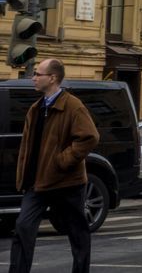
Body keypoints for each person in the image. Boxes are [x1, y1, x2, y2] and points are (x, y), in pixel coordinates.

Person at [9, 58, 99, 273]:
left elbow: (90, 137)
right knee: (23, 227)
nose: (33, 78)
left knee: (77, 233)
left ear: (53, 78)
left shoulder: (73, 105)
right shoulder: (36, 107)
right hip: (37, 182)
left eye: (38, 74)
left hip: (66, 181)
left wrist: (62, 161)